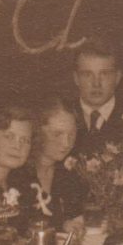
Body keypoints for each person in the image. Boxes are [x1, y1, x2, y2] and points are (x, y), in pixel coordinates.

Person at [6, 93, 89, 226]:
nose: (66, 143)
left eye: (72, 134)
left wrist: (69, 226)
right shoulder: (16, 172)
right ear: (37, 132)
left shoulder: (68, 173)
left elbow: (73, 215)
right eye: (57, 134)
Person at [70, 36, 123, 158]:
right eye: (87, 74)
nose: (96, 83)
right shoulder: (62, 116)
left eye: (104, 74)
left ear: (117, 77)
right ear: (76, 78)